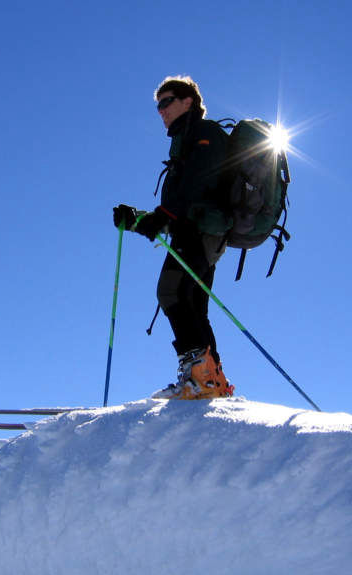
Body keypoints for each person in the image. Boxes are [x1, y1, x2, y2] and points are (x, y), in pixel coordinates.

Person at [113, 75, 234, 400]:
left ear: (188, 102)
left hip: (201, 230)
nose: (161, 110)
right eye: (158, 105)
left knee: (172, 292)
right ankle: (211, 380)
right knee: (192, 303)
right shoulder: (185, 141)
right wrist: (139, 220)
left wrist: (162, 216)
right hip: (202, 231)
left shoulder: (204, 134)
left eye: (166, 102)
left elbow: (197, 184)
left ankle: (201, 379)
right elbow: (176, 205)